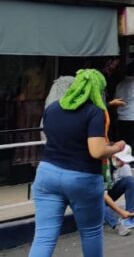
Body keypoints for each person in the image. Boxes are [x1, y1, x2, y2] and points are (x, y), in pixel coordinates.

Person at [30, 69, 127, 257]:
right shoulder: (94, 112)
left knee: (43, 236)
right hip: (81, 178)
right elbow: (97, 151)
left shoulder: (53, 108)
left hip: (47, 174)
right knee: (91, 232)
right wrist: (117, 147)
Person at [103, 145, 134, 235]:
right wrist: (121, 212)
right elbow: (103, 195)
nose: (123, 163)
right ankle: (117, 224)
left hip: (108, 193)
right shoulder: (105, 166)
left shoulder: (125, 166)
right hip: (95, 197)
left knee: (130, 180)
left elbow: (132, 186)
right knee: (98, 202)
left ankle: (130, 216)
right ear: (114, 157)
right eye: (121, 160)